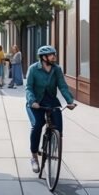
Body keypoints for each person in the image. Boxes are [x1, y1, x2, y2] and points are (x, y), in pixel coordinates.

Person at [26, 45, 76, 174]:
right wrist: (32, 101)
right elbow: (29, 88)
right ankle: (34, 157)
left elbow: (63, 86)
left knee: (58, 127)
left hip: (51, 102)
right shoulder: (33, 69)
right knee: (37, 125)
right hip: (36, 103)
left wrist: (70, 101)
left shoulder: (57, 69)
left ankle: (52, 148)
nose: (54, 57)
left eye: (54, 54)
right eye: (51, 55)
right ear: (43, 57)